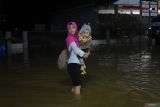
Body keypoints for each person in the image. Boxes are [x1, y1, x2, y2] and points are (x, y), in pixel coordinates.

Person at [65, 21, 90, 95]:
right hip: (73, 65)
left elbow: (79, 50)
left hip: (76, 64)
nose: (72, 29)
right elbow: (76, 49)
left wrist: (82, 61)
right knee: (78, 86)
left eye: (73, 28)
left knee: (75, 86)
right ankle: (77, 102)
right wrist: (84, 54)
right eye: (70, 28)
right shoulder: (69, 38)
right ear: (68, 29)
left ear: (76, 28)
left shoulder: (76, 38)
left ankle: (71, 100)